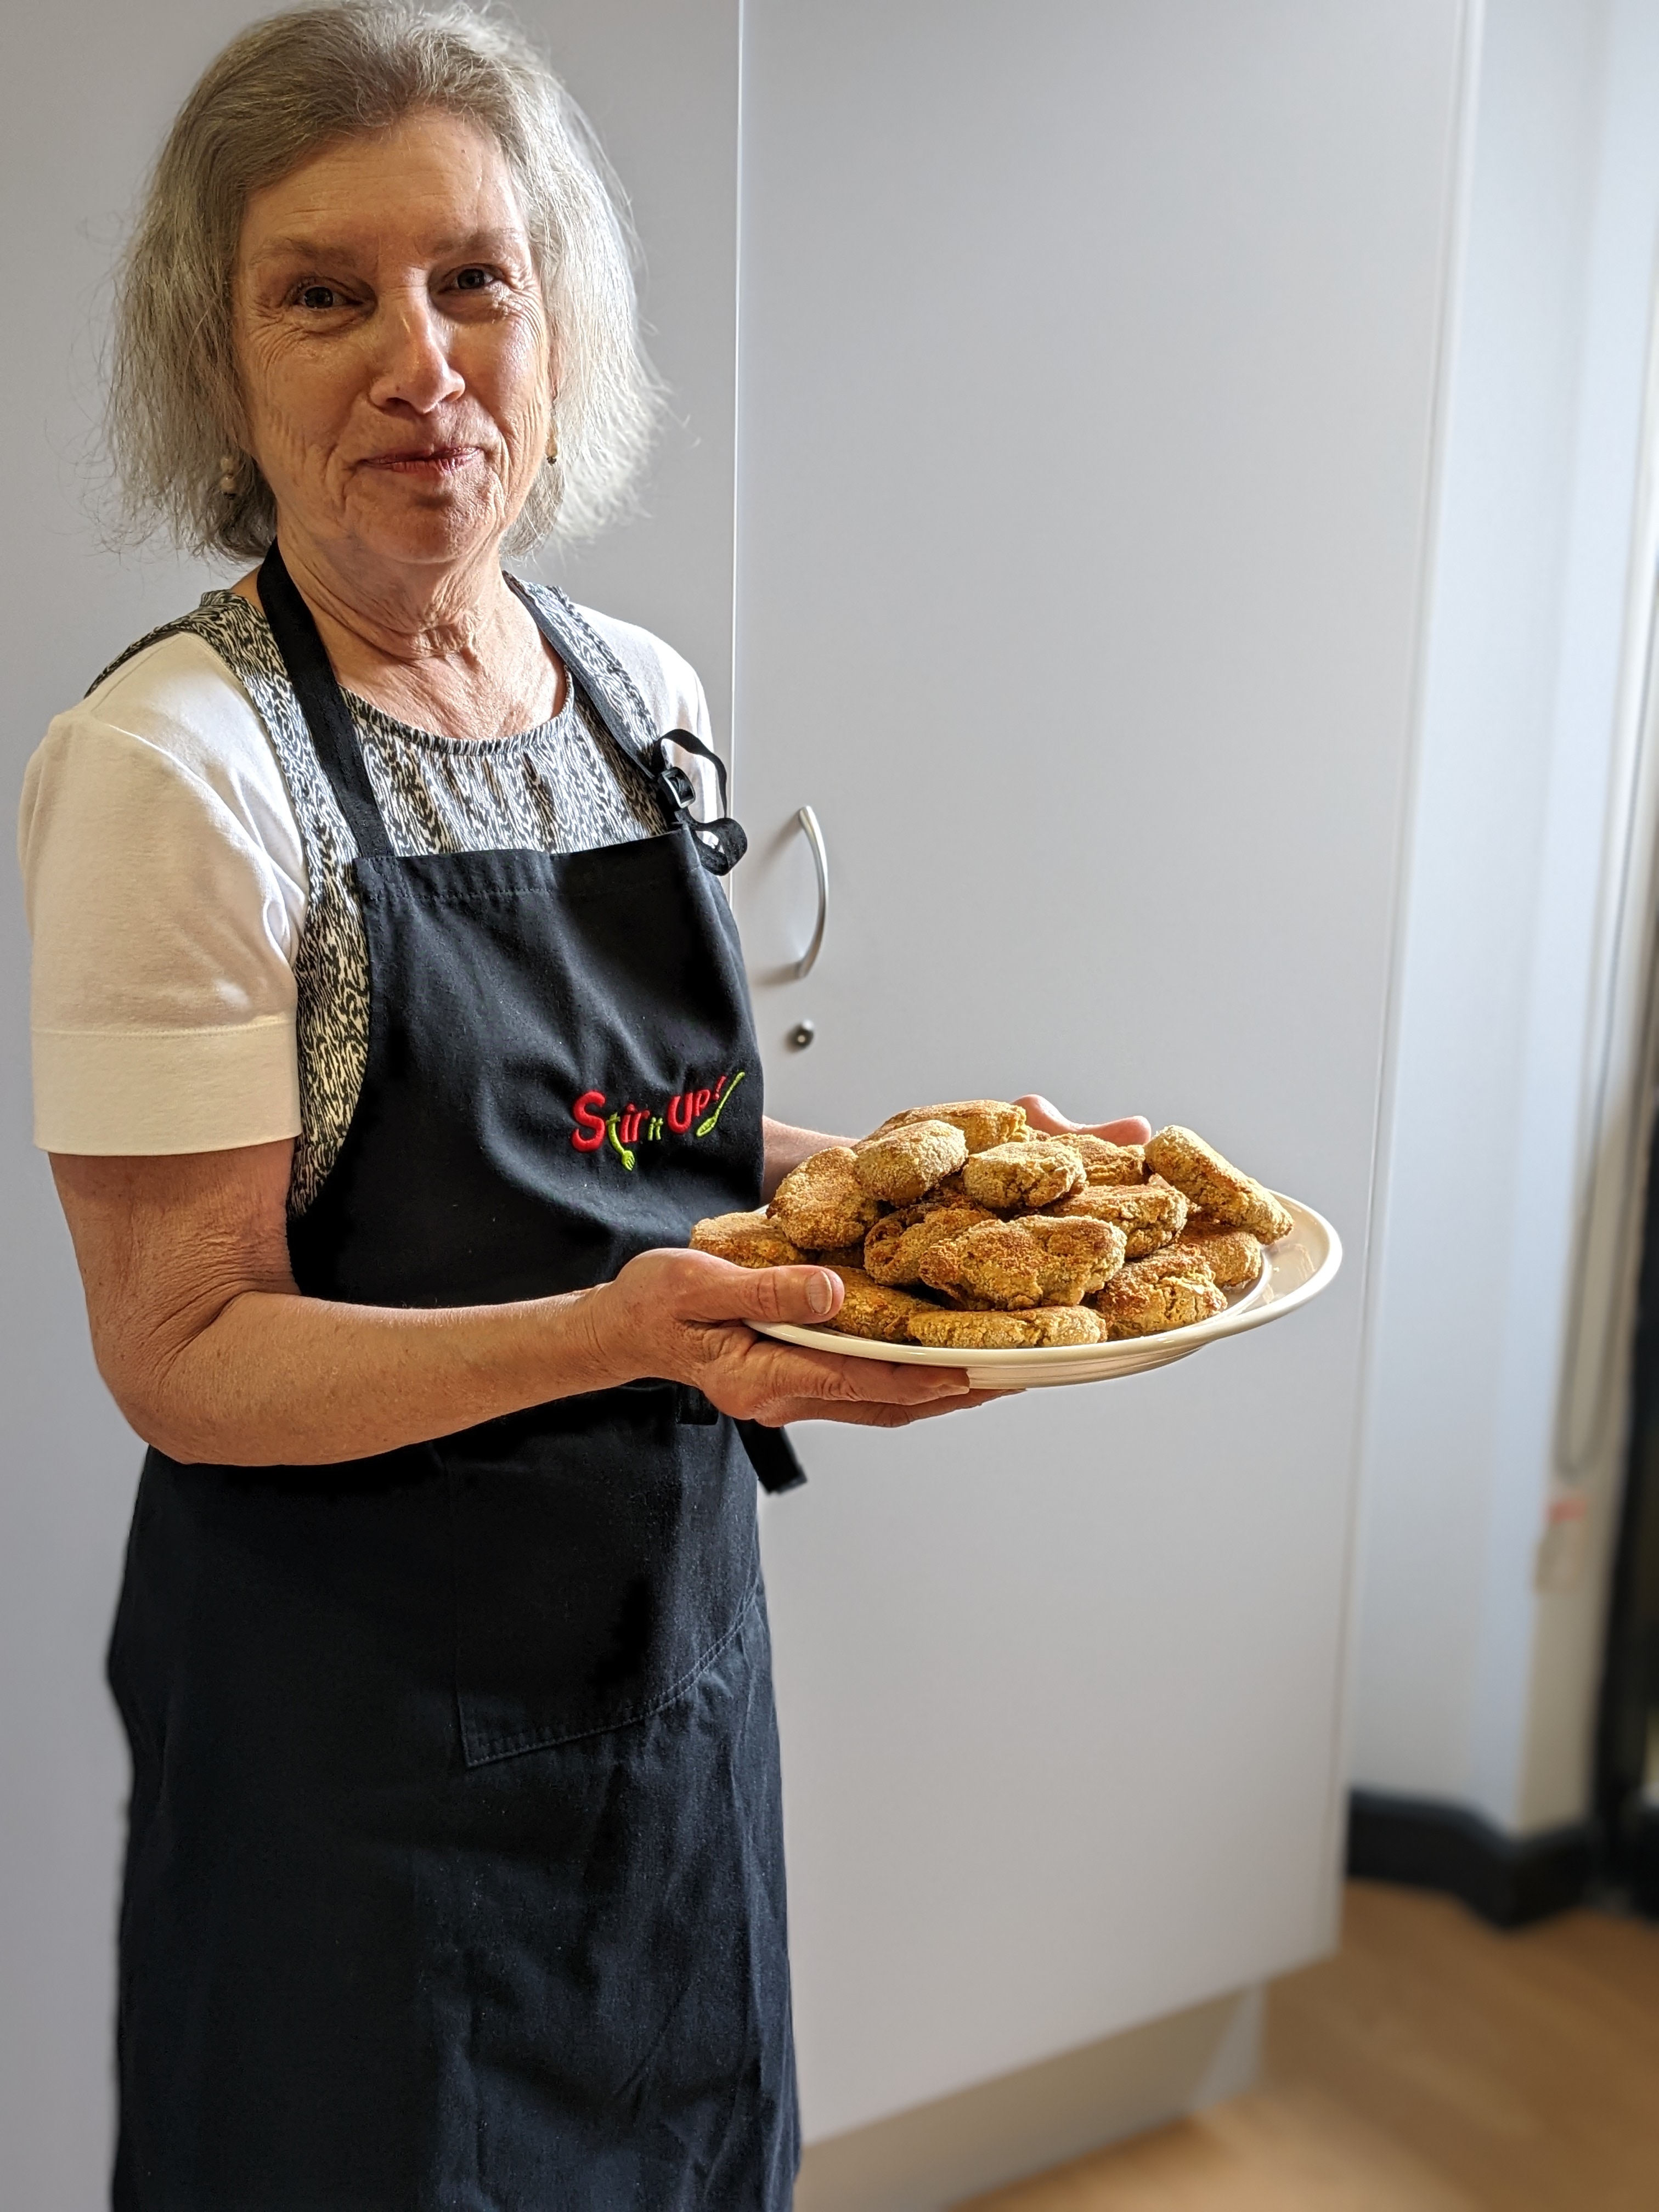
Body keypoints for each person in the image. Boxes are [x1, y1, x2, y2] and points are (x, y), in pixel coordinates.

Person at [18, 7, 1149, 2205]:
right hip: (353, 1749)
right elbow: (184, 1348)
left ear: (559, 324)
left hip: (664, 1686)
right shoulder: (179, 775)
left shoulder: (639, 699)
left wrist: (916, 1204)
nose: (416, 358)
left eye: (474, 279)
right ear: (222, 364)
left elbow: (636, 1149)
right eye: (321, 295)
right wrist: (629, 1335)